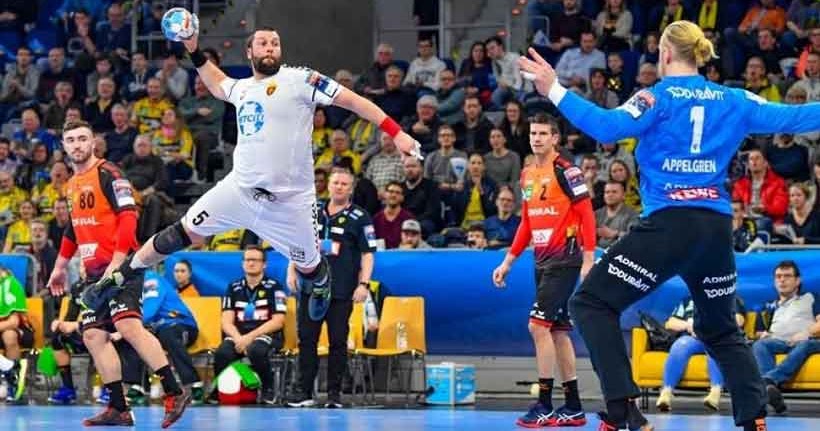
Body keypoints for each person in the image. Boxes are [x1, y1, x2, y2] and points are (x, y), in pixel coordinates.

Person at [517, 19, 820, 431]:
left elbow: (607, 127)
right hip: (715, 231)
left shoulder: (656, 98)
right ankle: (754, 420)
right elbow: (795, 117)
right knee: (720, 327)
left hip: (670, 225)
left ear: (663, 54)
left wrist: (553, 87)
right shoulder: (733, 98)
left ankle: (624, 412)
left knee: (590, 303)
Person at [91, 26, 421, 330]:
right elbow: (216, 81)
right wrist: (192, 48)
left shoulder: (302, 79)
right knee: (181, 232)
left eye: (275, 42)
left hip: (291, 202)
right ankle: (121, 276)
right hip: (241, 191)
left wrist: (398, 133)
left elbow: (355, 101)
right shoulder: (241, 88)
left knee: (310, 267)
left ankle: (320, 283)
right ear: (249, 52)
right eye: (263, 43)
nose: (270, 47)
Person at [46, 121, 189, 428]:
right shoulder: (71, 184)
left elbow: (128, 215)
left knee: (128, 326)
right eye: (71, 140)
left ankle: (175, 391)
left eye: (82, 138)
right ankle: (118, 408)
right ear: (64, 146)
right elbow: (73, 229)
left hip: (123, 267)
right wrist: (59, 267)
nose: (77, 145)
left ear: (93, 142)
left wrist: (118, 261)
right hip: (94, 272)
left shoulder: (109, 173)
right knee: (93, 335)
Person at [492, 113, 595, 427]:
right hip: (542, 260)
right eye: (533, 133)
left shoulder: (567, 170)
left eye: (542, 134)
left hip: (565, 258)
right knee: (556, 331)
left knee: (537, 327)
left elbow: (587, 214)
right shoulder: (526, 175)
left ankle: (545, 404)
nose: (536, 138)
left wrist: (589, 259)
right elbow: (527, 222)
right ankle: (574, 406)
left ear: (555, 139)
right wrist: (508, 261)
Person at [286, 168, 376, 408]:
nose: (339, 187)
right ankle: (304, 393)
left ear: (351, 188)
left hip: (341, 289)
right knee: (307, 340)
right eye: (336, 182)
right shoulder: (313, 211)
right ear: (328, 185)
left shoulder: (360, 217)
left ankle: (334, 395)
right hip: (311, 287)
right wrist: (291, 270)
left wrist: (364, 284)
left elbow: (368, 254)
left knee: (338, 341)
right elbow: (297, 243)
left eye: (344, 184)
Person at [214, 246, 286, 405]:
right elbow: (226, 321)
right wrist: (239, 338)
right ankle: (219, 389)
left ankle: (268, 388)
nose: (251, 263)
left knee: (256, 350)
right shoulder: (233, 287)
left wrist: (249, 338)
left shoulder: (275, 287)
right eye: (247, 260)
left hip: (266, 334)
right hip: (238, 335)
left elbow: (278, 321)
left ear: (264, 264)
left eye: (255, 260)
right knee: (222, 353)